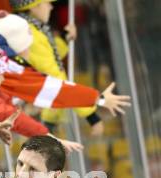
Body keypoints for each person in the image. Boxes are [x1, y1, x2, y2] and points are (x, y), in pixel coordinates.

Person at [0, 12, 131, 118]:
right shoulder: (9, 70)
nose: (30, 49)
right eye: (28, 44)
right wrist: (98, 99)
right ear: (19, 46)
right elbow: (57, 91)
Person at [9, 0, 105, 135]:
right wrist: (91, 116)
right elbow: (55, 78)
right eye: (46, 3)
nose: (51, 6)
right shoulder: (30, 35)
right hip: (40, 110)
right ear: (34, 7)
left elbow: (48, 58)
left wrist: (63, 39)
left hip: (45, 111)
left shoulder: (32, 30)